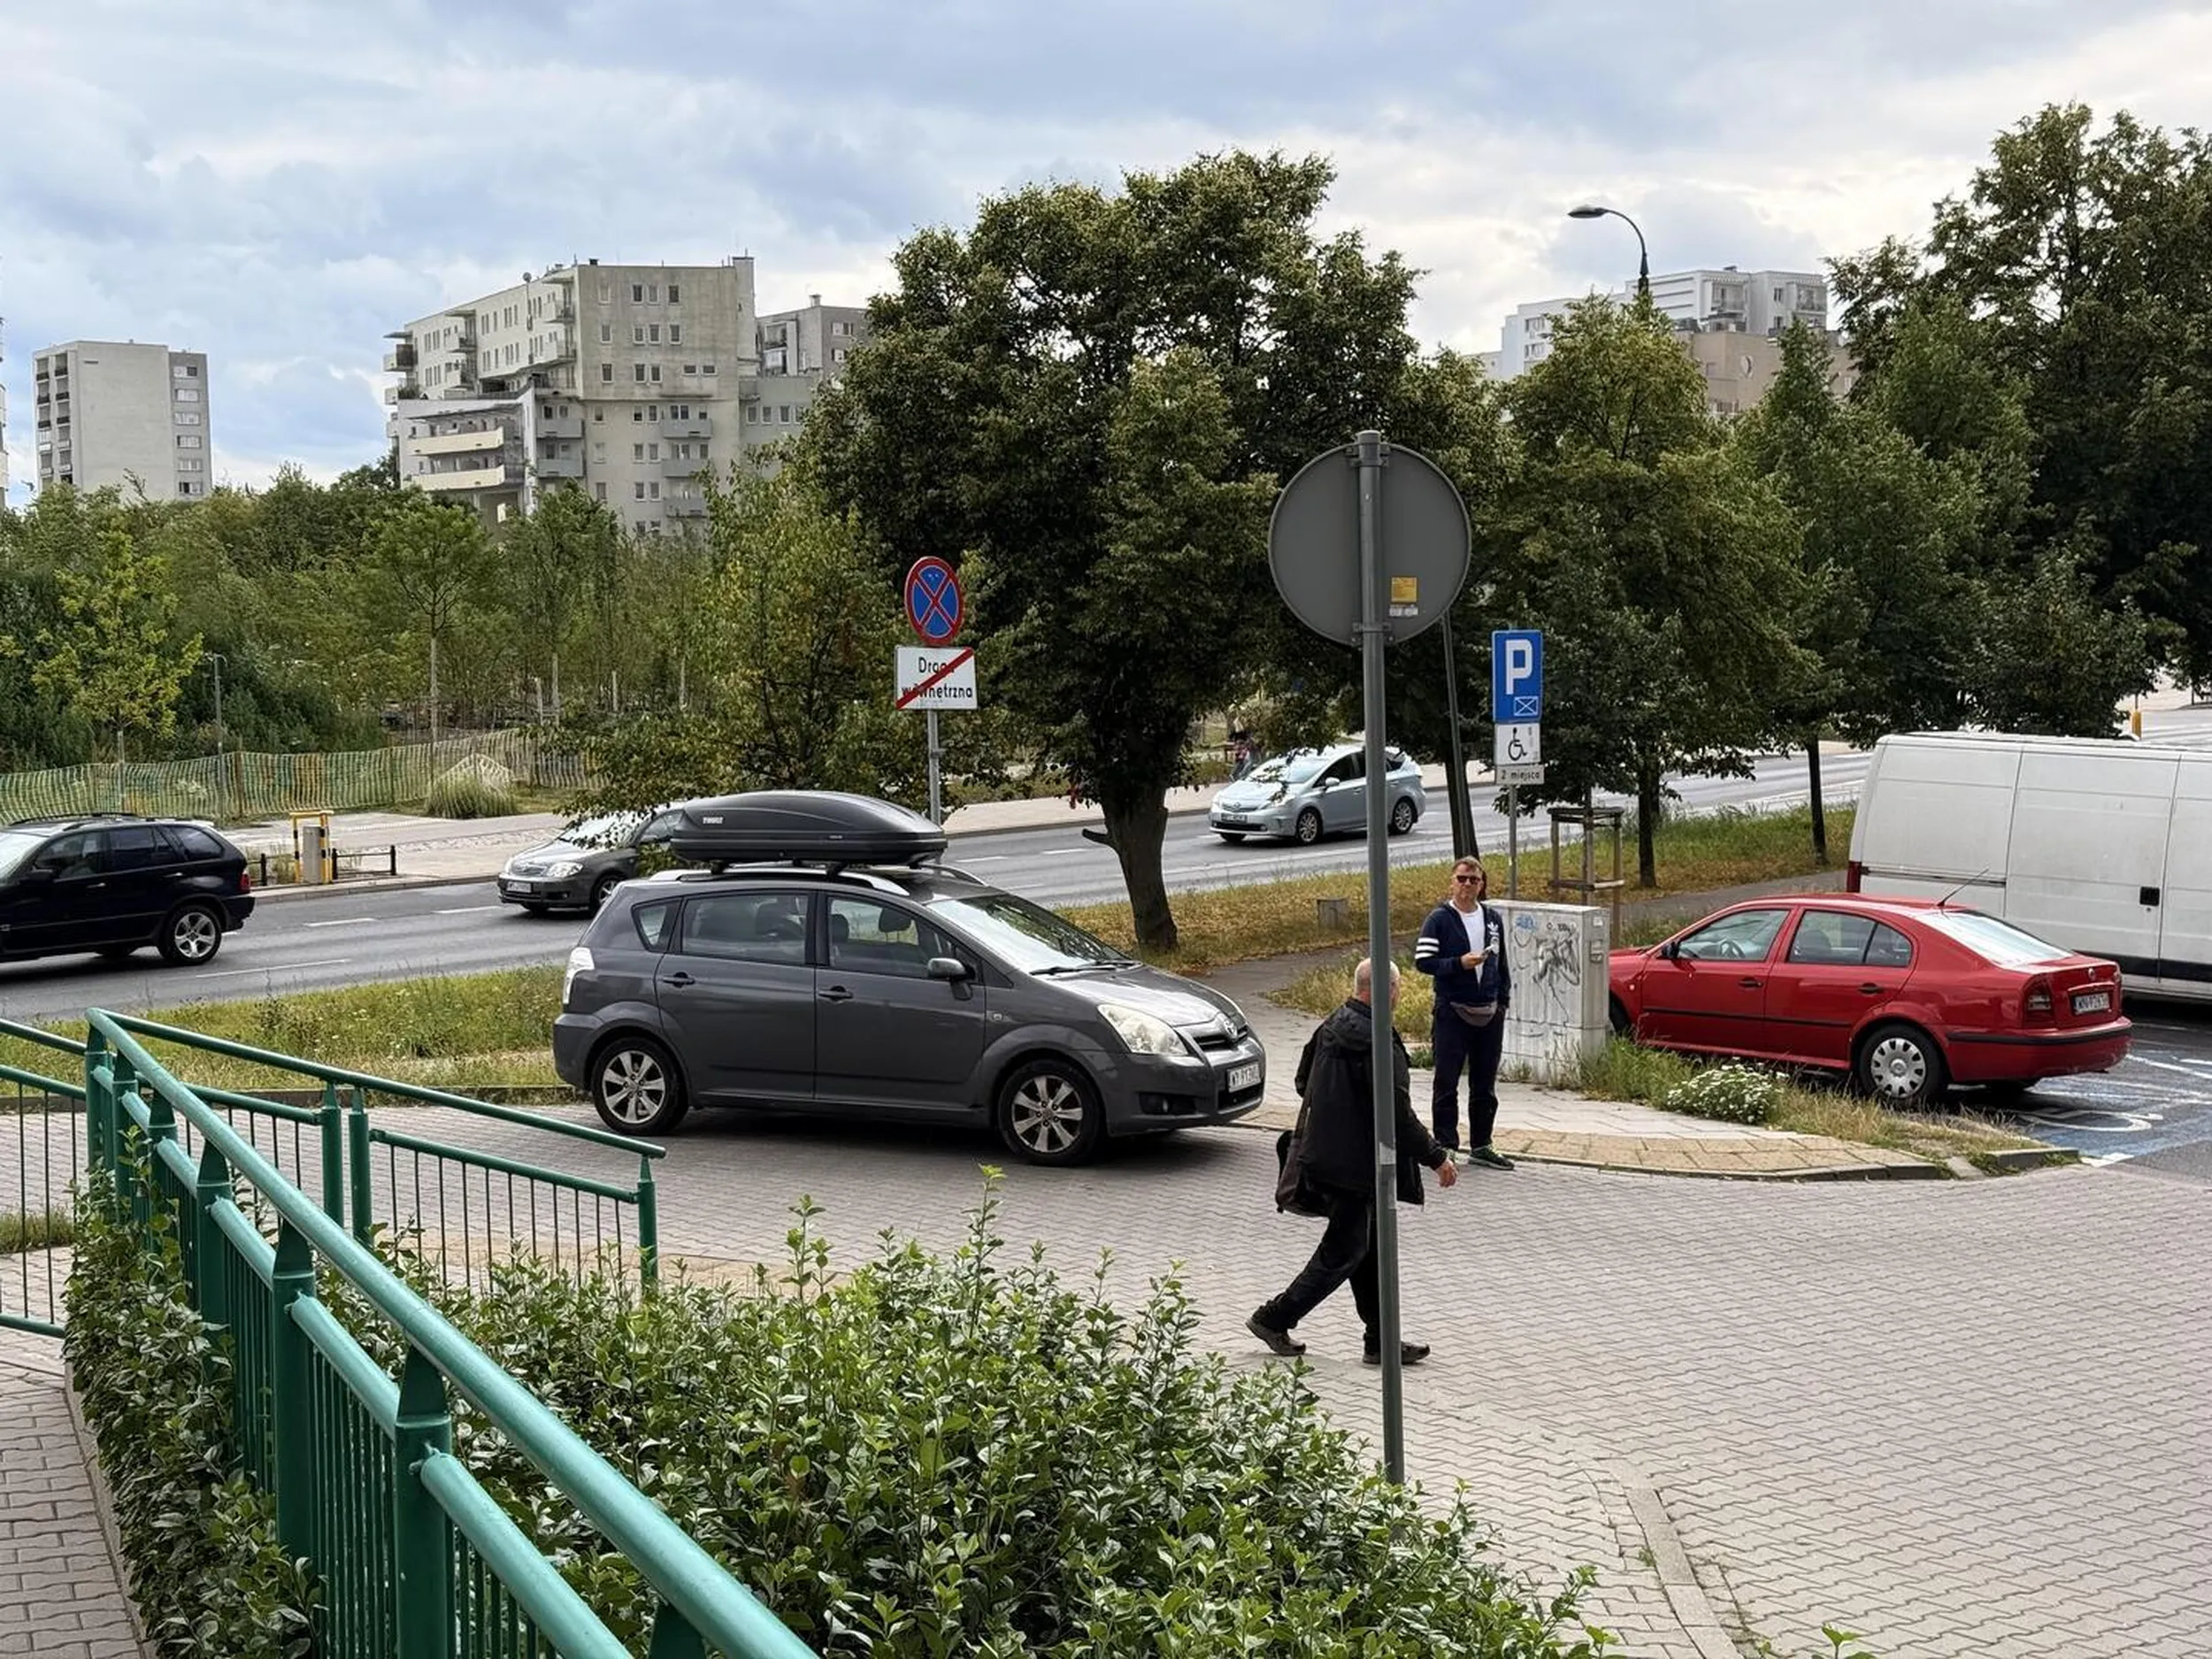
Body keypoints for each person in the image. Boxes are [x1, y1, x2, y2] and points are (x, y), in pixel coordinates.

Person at [1248, 958, 1456, 1364]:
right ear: (1388, 990)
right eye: (1397, 989)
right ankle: (1273, 1317)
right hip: (1355, 1166)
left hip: (1326, 1156)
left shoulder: (1332, 1024)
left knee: (1368, 1248)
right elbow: (1397, 1113)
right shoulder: (1378, 1039)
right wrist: (1436, 1157)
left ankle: (1379, 1339)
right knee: (1344, 1252)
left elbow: (1302, 1082)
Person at [1416, 856, 1515, 1170]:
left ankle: (1482, 1144)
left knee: (1484, 1082)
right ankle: (1446, 1144)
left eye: (1474, 880)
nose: (1467, 885)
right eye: (1462, 879)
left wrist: (1502, 1001)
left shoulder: (1492, 919)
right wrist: (1459, 963)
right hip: (1452, 1010)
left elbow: (1501, 964)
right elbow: (1424, 962)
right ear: (1452, 881)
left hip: (1489, 1011)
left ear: (1482, 884)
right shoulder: (1439, 919)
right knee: (1447, 1080)